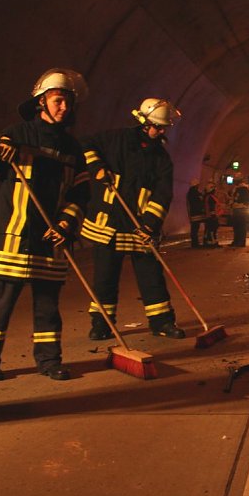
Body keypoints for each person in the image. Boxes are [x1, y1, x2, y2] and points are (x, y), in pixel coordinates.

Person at [0, 68, 90, 381]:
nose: (64, 107)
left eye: (68, 102)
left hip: (51, 240)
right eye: (58, 100)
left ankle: (49, 361)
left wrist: (65, 224)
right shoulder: (17, 134)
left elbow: (81, 194)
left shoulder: (73, 149)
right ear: (41, 102)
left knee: (48, 307)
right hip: (14, 237)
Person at [80, 98, 186, 340]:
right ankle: (102, 324)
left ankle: (162, 322)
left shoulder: (162, 159)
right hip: (107, 224)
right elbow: (85, 144)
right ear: (143, 122)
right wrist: (97, 166)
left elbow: (163, 194)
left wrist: (150, 224)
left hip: (140, 226)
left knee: (152, 278)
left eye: (164, 128)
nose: (161, 132)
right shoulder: (115, 139)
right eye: (157, 127)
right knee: (105, 278)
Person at [230, 181, 249, 247]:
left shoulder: (243, 189)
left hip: (241, 209)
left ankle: (240, 242)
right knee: (237, 227)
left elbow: (244, 200)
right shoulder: (237, 189)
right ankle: (236, 241)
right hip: (237, 209)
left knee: (240, 227)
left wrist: (238, 204)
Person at [186, 179, 205, 248]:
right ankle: (195, 243)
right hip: (196, 213)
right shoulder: (195, 193)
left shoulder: (190, 193)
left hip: (193, 213)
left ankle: (194, 243)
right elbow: (199, 202)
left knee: (194, 228)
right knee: (195, 228)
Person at [203, 181, 220, 247]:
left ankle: (212, 242)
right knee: (212, 230)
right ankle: (212, 242)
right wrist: (213, 215)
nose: (215, 190)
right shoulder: (210, 197)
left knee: (213, 229)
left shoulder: (211, 197)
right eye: (214, 189)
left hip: (212, 216)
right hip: (211, 216)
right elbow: (211, 207)